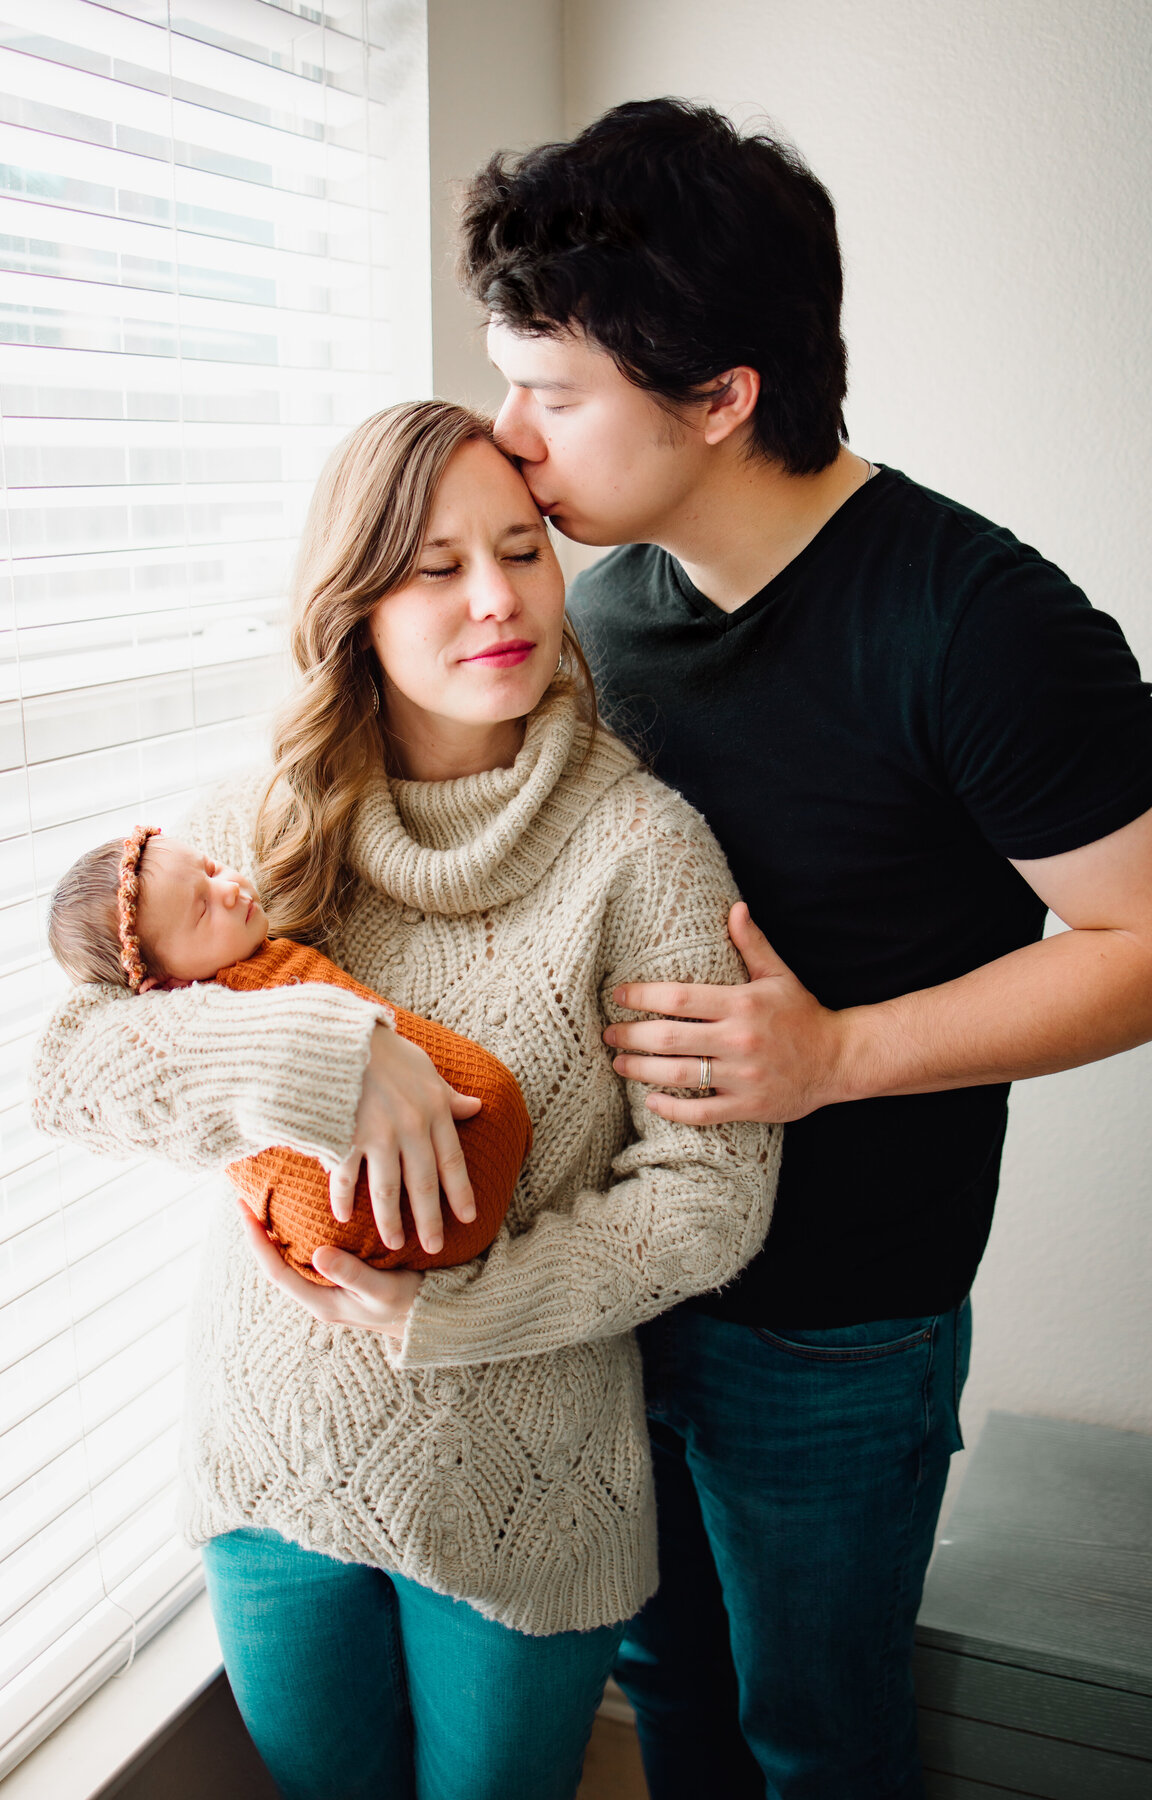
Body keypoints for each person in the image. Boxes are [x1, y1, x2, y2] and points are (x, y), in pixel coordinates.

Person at [455, 98, 1152, 1799]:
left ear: (719, 396)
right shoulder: (599, 613)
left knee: (819, 1741)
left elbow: (1144, 934)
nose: (509, 433)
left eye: (554, 392)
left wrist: (839, 1055)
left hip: (838, 1324)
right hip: (616, 1283)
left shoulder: (982, 625)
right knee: (667, 1705)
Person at [30, 398, 780, 1800]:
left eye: (521, 551)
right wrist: (328, 1053)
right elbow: (68, 1069)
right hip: (272, 1460)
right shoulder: (262, 817)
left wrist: (460, 1310)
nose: (496, 600)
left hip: (529, 1485)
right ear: (357, 599)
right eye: (436, 567)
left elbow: (710, 1197)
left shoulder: (645, 851)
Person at [43, 826, 532, 1274]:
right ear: (165, 983)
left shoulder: (241, 927)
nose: (230, 888)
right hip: (361, 1227)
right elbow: (58, 1084)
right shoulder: (195, 1010)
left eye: (212, 869)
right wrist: (314, 1050)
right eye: (201, 909)